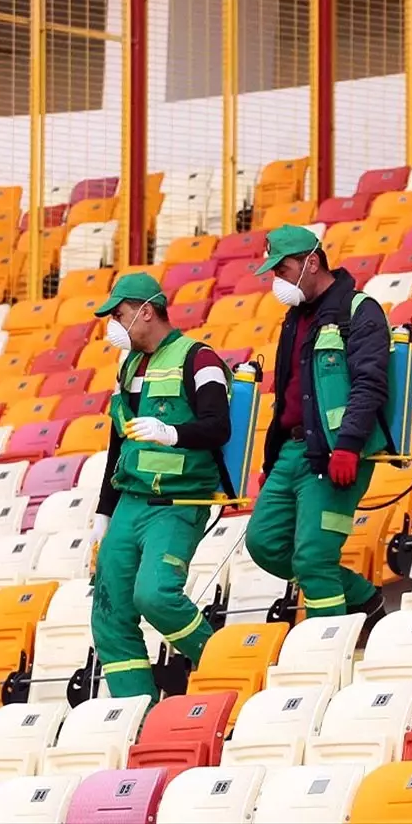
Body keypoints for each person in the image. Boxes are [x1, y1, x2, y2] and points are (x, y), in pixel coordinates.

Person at [88, 272, 232, 702]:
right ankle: (138, 713)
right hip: (130, 502)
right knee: (109, 612)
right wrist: (103, 513)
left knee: (154, 595)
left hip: (178, 501)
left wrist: (171, 432)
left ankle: (226, 669)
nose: (113, 325)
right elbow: (119, 442)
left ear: (146, 311)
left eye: (120, 315)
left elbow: (217, 426)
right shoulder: (129, 365)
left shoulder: (199, 359)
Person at [243, 225, 389, 626]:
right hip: (291, 452)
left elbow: (370, 383)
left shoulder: (359, 310)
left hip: (335, 452)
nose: (278, 280)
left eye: (283, 269)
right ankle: (362, 598)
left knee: (312, 558)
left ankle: (325, 652)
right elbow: (288, 395)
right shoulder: (294, 319)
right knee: (263, 543)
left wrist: (348, 445)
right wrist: (271, 461)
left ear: (312, 262)